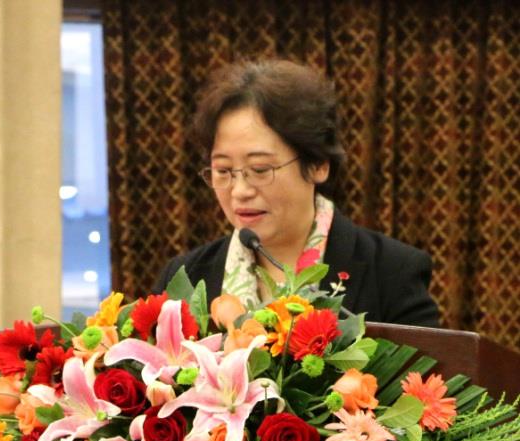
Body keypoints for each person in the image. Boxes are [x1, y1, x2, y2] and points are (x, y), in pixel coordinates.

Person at [153, 59, 439, 327]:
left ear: (318, 164)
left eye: (260, 169)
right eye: (224, 171)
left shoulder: (391, 273)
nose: (239, 191)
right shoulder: (185, 278)